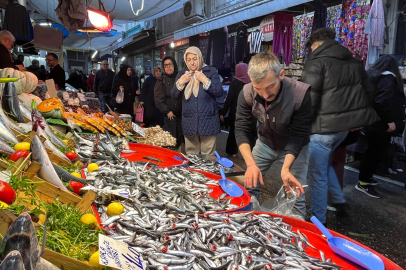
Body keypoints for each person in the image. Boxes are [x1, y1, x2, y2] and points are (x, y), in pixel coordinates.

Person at [303, 28, 380, 224]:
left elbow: (310, 99)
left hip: (323, 129)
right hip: (344, 129)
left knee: (317, 175)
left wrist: (302, 126)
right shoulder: (354, 62)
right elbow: (370, 92)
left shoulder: (316, 62)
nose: (311, 51)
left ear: (317, 44)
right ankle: (339, 201)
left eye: (311, 47)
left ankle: (319, 221)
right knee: (323, 163)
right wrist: (358, 118)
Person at [235, 52, 312, 219]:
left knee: (294, 192)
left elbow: (299, 135)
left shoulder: (301, 94)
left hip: (294, 146)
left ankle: (297, 235)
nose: (265, 94)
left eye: (270, 86)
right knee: (249, 183)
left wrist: (285, 168)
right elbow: (241, 129)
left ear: (281, 74)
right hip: (265, 142)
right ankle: (248, 222)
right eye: (258, 88)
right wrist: (250, 164)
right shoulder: (247, 92)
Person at [357, 55, 406, 198]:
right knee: (374, 152)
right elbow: (383, 102)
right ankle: (364, 182)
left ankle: (366, 178)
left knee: (372, 151)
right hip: (379, 124)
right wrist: (389, 121)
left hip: (371, 121)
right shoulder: (388, 79)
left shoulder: (373, 76)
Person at [171, 46, 224, 156]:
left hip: (208, 122)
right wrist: (181, 82)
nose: (192, 63)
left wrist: (204, 80)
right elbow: (174, 95)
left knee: (209, 157)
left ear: (200, 58)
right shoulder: (182, 74)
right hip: (189, 123)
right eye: (189, 60)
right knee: (192, 156)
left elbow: (219, 92)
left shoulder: (210, 71)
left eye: (194, 59)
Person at [220, 62, 251, 156]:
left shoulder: (235, 83)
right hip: (248, 112)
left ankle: (232, 151)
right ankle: (246, 153)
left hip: (235, 112)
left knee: (233, 132)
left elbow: (229, 98)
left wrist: (223, 113)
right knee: (246, 133)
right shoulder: (250, 82)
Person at [154, 56, 183, 150]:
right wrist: (167, 111)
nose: (168, 67)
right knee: (171, 143)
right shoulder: (161, 80)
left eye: (170, 64)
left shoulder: (181, 76)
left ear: (174, 64)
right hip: (170, 117)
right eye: (166, 65)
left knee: (184, 142)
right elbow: (158, 99)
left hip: (183, 117)